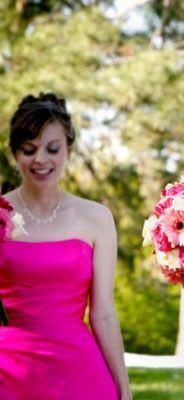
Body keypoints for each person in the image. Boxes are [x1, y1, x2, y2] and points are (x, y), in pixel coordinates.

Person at [0, 93, 131, 399]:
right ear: (15, 153)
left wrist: (123, 388)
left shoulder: (96, 217)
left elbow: (103, 314)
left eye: (52, 148)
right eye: (29, 150)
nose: (40, 159)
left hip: (79, 370)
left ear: (68, 149)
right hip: (8, 369)